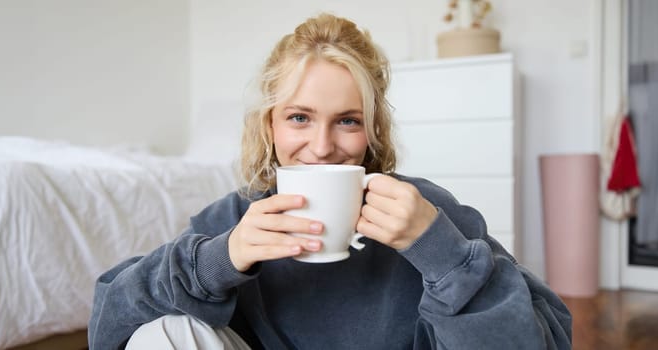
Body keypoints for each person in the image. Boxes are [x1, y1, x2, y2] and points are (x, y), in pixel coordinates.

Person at [89, 13, 572, 349]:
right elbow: (108, 320)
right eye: (299, 117)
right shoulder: (233, 220)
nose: (322, 147)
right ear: (269, 125)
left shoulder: (426, 211)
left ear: (372, 131)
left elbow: (547, 337)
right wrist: (218, 262)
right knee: (163, 333)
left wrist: (443, 255)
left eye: (347, 120)